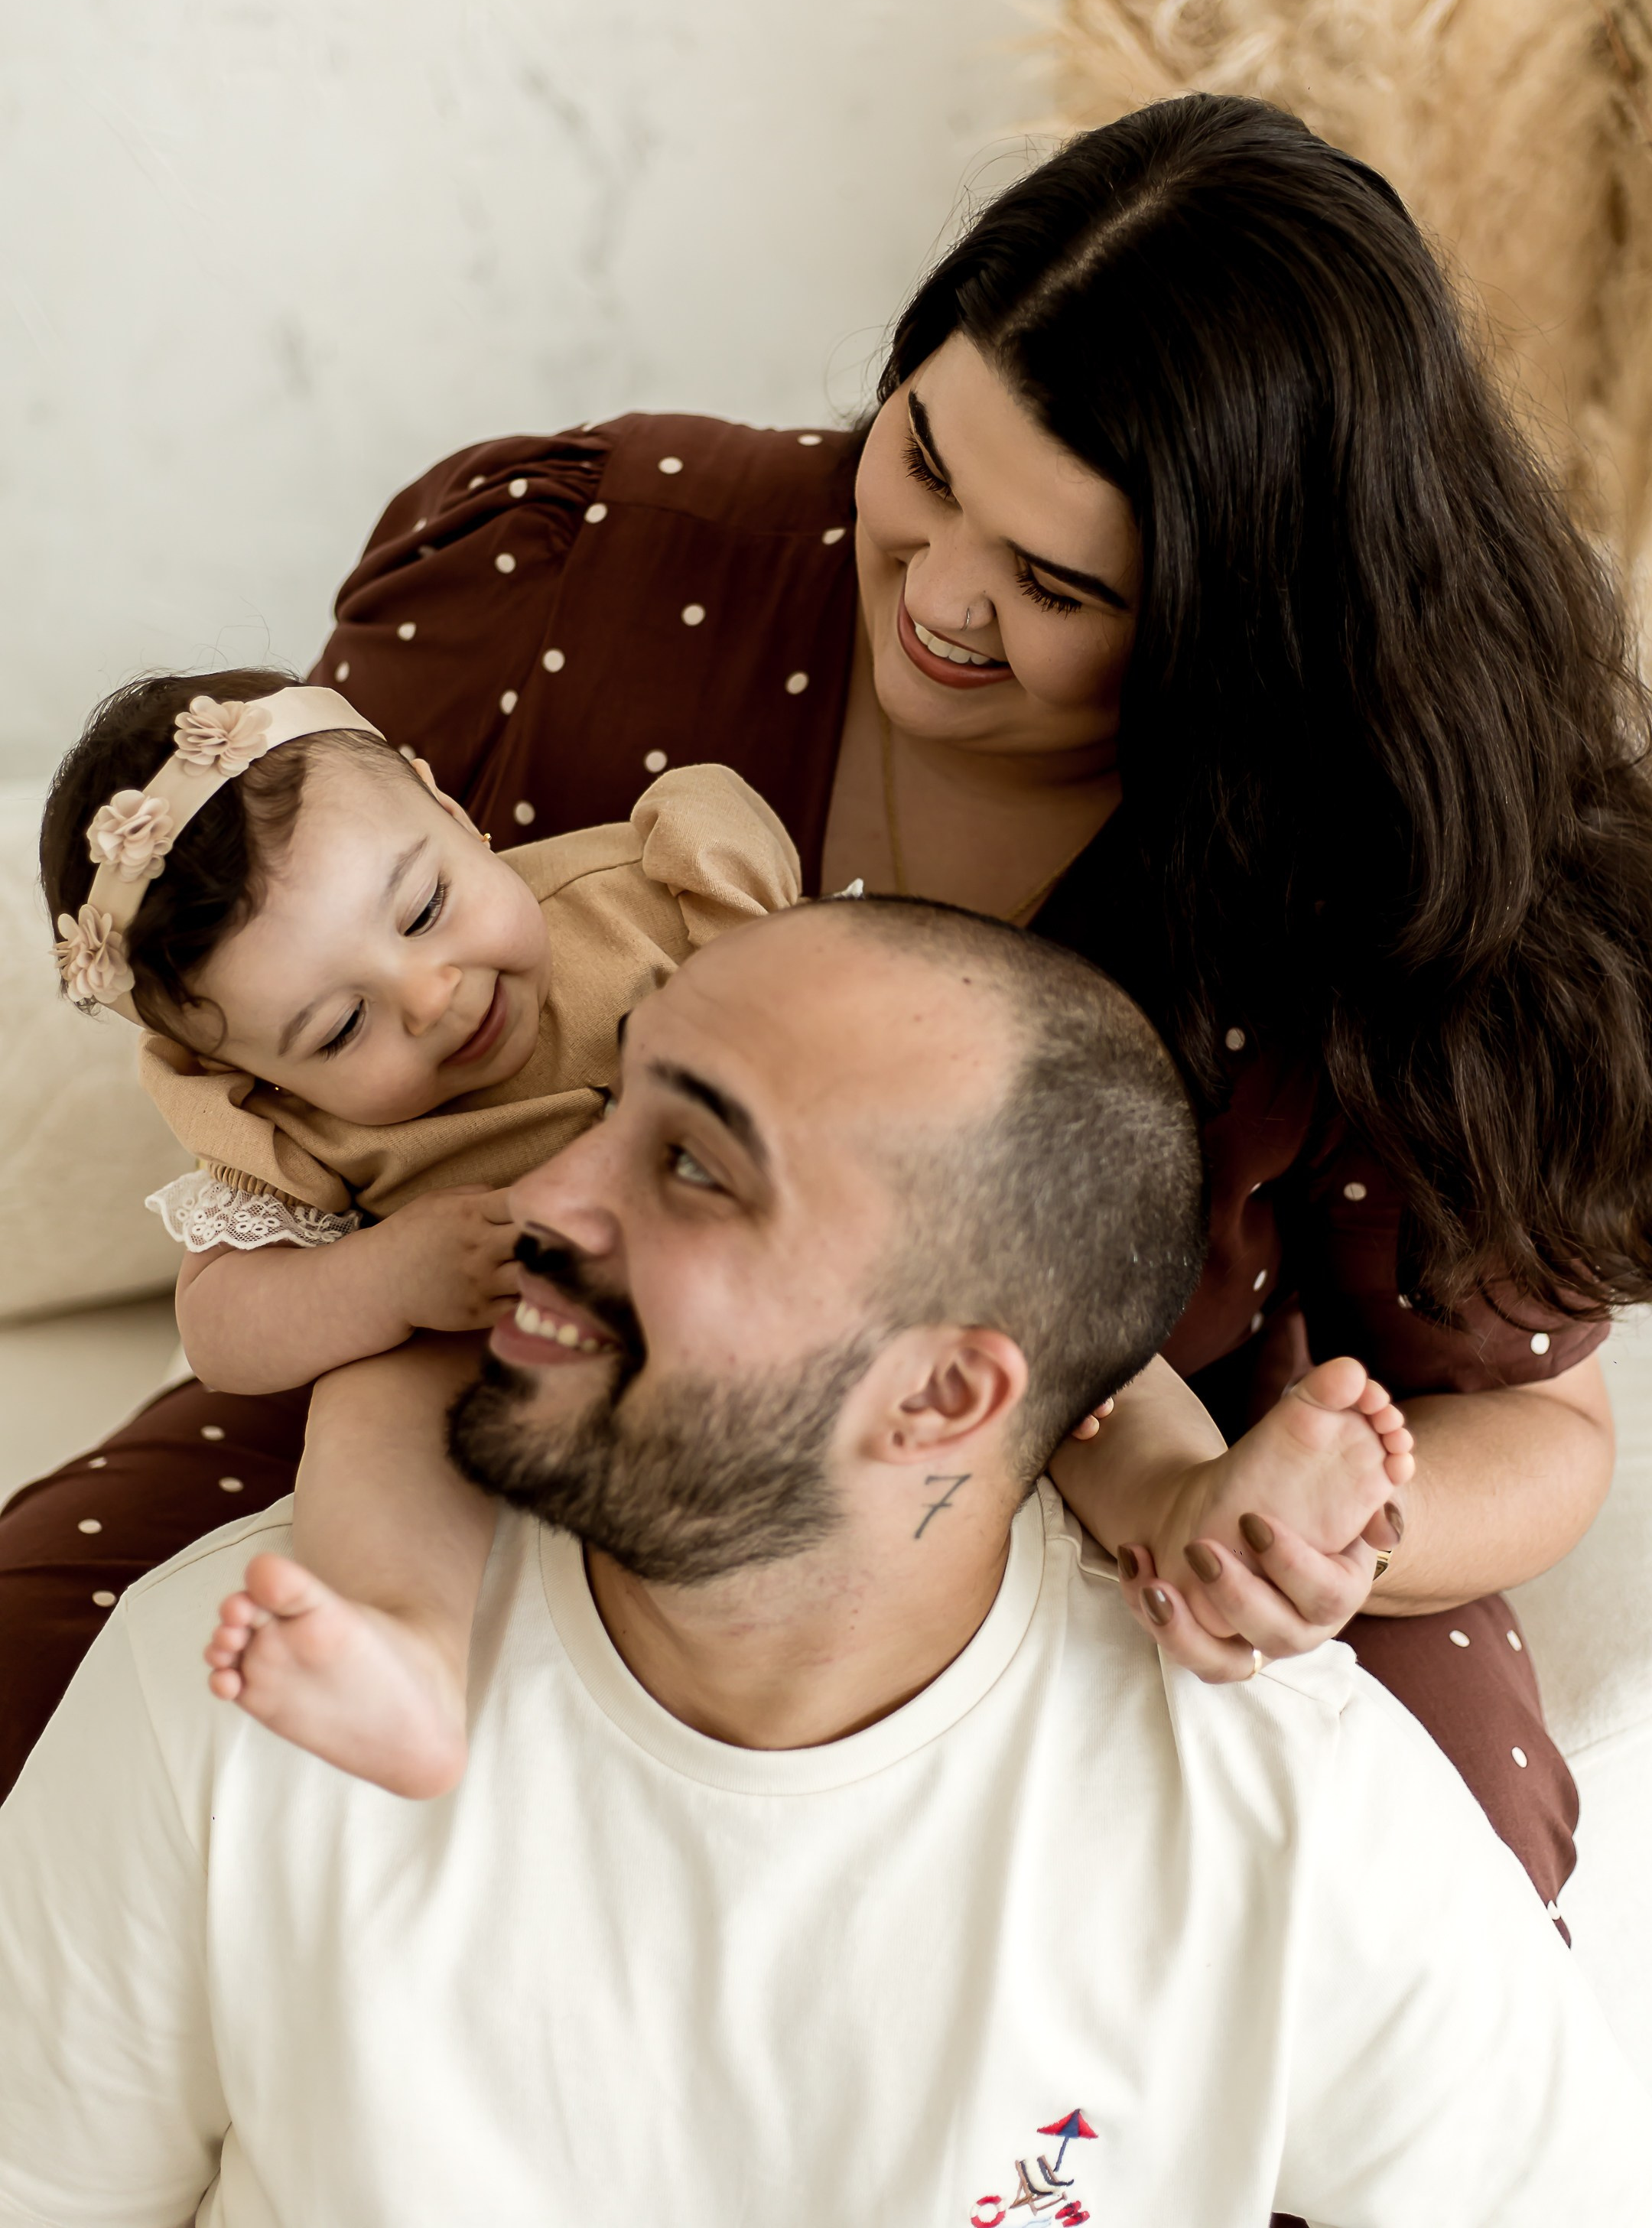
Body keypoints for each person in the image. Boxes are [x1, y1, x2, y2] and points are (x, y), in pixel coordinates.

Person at [6, 96, 1649, 1917]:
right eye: (926, 462)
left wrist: (1315, 1539)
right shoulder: (578, 576)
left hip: (1058, 1475)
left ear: (1247, 615)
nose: (940, 601)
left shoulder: (1372, 868)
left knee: (1426, 1911)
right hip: (482, 1374)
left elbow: (1547, 1430)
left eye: (1059, 585)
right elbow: (282, 987)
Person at [0, 899, 1641, 2228]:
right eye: (610, 1107)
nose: (547, 1197)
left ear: (942, 1398)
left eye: (693, 1167)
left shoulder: (1294, 1827)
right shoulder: (229, 1684)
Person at [39, 667, 801, 1792]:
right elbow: (220, 1333)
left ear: (446, 810)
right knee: (375, 1391)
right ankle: (407, 1649)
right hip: (520, 1351)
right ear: (242, 1073)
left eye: (426, 908)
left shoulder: (651, 895)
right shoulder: (296, 1136)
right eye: (343, 1025)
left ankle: (1146, 1471)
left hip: (762, 1257)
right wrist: (384, 1280)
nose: (433, 995)